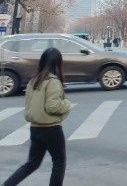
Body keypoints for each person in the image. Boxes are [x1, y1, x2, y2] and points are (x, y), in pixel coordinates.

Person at [4, 48, 72, 186]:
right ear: (58, 63)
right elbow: (52, 106)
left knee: (32, 163)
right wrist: (67, 104)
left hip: (35, 128)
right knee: (59, 163)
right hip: (51, 129)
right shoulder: (53, 82)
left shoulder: (34, 81)